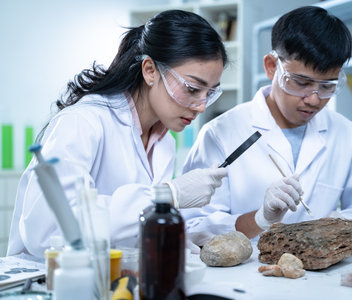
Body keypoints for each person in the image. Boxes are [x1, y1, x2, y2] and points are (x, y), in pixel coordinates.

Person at [8, 10, 229, 258]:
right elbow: (49, 231)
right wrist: (165, 196)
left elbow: (126, 231)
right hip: (48, 282)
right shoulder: (83, 123)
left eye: (209, 93)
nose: (201, 106)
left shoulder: (163, 142)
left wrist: (169, 237)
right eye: (192, 88)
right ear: (150, 70)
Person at [181, 6, 352, 240]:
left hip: (321, 272)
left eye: (327, 86)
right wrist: (260, 219)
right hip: (245, 274)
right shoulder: (221, 133)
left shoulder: (344, 133)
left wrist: (339, 222)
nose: (314, 99)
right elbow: (192, 226)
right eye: (301, 82)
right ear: (271, 66)